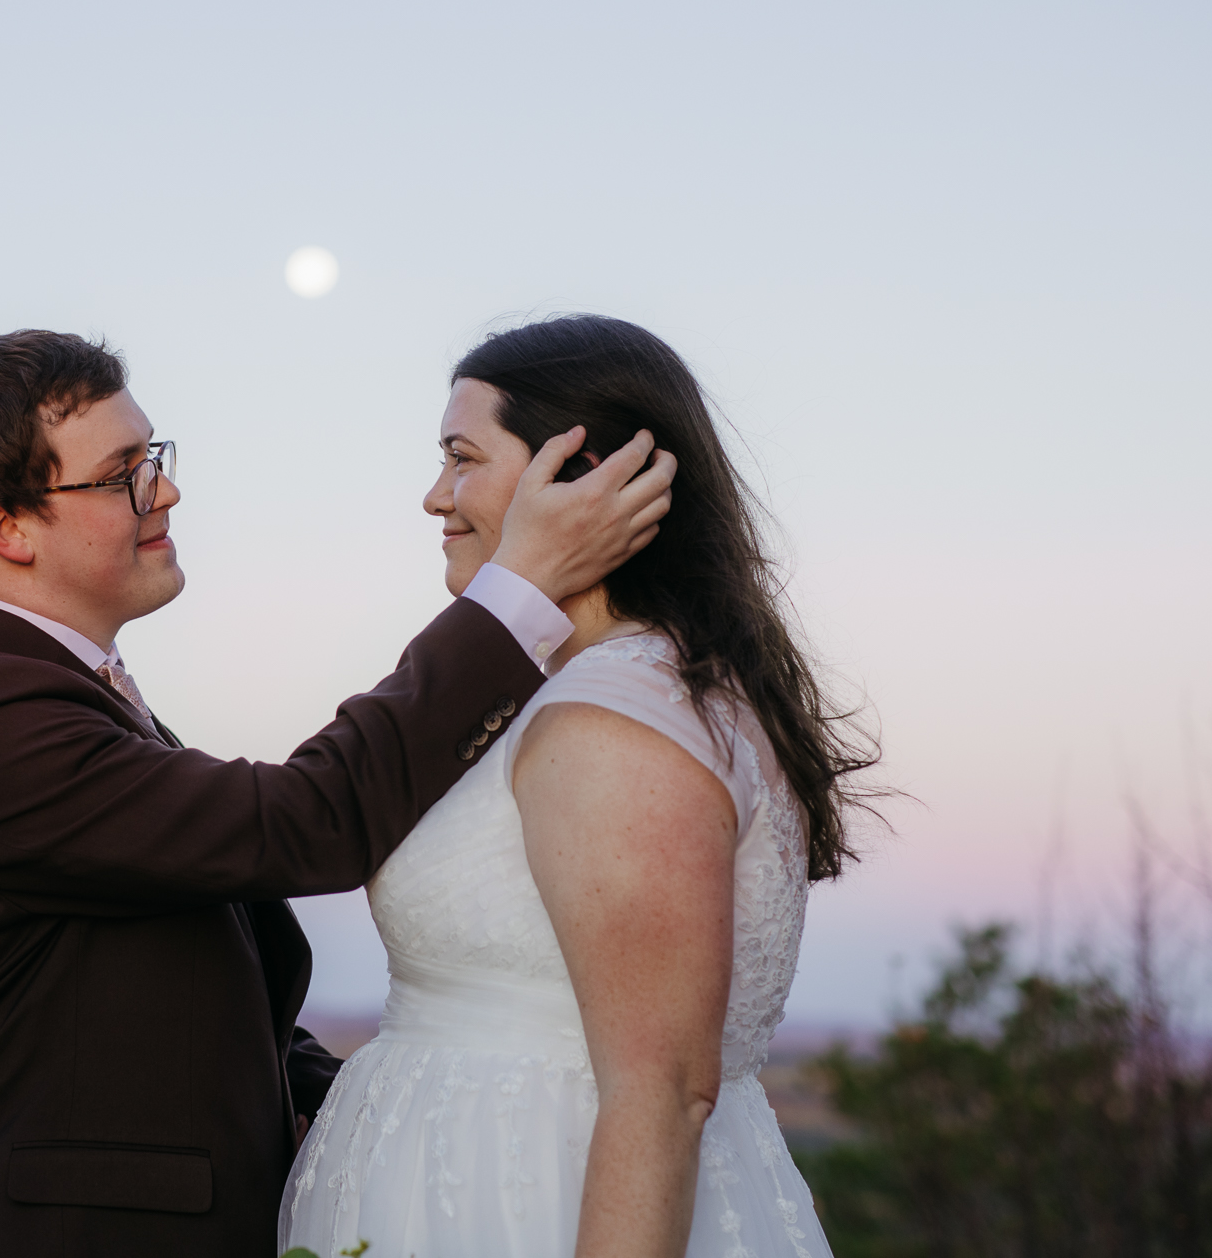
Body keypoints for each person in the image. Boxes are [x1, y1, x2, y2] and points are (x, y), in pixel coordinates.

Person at [0, 329, 677, 1258]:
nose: (163, 490)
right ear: (7, 528)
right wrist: (517, 594)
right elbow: (303, 822)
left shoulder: (68, 691)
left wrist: (399, 1118)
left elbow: (192, 1005)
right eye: (121, 472)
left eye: (153, 457)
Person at [280, 315, 879, 1258]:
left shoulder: (614, 715)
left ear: (578, 472)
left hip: (537, 1206)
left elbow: (661, 1090)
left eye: (461, 456)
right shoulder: (581, 687)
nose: (436, 495)